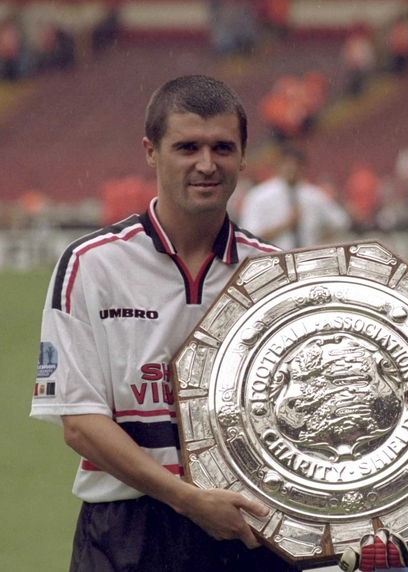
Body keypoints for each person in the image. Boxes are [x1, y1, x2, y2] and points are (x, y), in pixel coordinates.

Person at [29, 74, 298, 572]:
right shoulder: (93, 264)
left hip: (248, 530)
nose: (206, 164)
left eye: (222, 147)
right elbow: (81, 424)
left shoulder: (277, 274)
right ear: (151, 151)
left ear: (243, 156)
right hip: (128, 531)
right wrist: (188, 499)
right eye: (187, 147)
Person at [239, 147, 350, 250]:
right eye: (287, 164)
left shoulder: (313, 195)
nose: (292, 169)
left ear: (302, 167)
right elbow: (248, 238)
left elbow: (341, 222)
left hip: (308, 260)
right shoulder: (259, 196)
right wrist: (285, 225)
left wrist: (320, 238)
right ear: (278, 165)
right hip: (274, 260)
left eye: (296, 165)